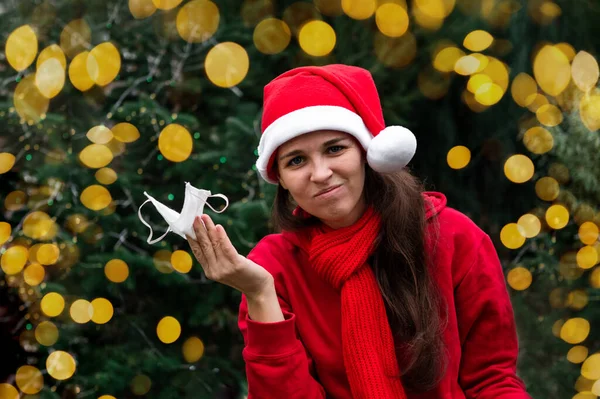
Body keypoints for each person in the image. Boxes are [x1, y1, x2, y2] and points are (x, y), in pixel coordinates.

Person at [186, 64, 532, 399]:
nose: (320, 173)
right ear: (281, 180)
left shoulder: (454, 238)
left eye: (335, 149)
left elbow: (493, 379)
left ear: (369, 153)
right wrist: (261, 294)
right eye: (296, 161)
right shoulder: (272, 267)